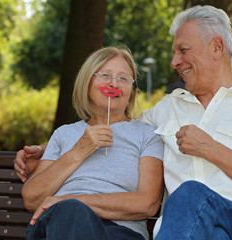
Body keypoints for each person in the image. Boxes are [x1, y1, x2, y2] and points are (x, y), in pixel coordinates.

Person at [15, 5, 232, 240]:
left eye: (183, 50)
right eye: (174, 52)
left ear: (217, 48)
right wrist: (47, 150)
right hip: (193, 232)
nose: (174, 61)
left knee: (189, 194)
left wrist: (212, 148)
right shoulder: (169, 109)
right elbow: (121, 124)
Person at [20, 46, 164, 240]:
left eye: (123, 78)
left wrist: (73, 200)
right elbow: (31, 198)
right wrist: (78, 152)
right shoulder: (64, 134)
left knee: (72, 210)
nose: (114, 83)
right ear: (87, 82)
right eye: (105, 75)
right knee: (70, 214)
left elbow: (147, 203)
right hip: (57, 226)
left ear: (131, 90)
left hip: (118, 233)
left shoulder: (148, 135)